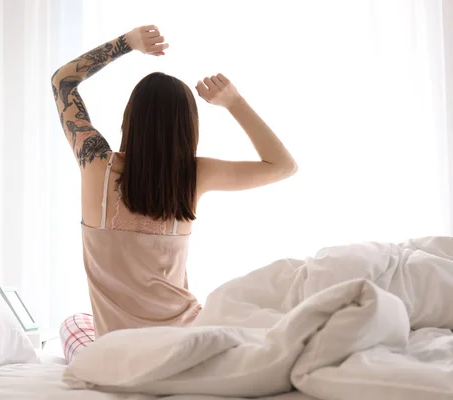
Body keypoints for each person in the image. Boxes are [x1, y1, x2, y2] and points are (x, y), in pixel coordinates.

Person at [52, 25, 297, 362]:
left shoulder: (97, 164)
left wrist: (128, 43)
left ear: (129, 120)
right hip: (186, 338)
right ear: (188, 128)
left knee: (72, 324)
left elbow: (63, 81)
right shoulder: (194, 175)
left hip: (119, 351)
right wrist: (234, 102)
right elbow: (283, 166)